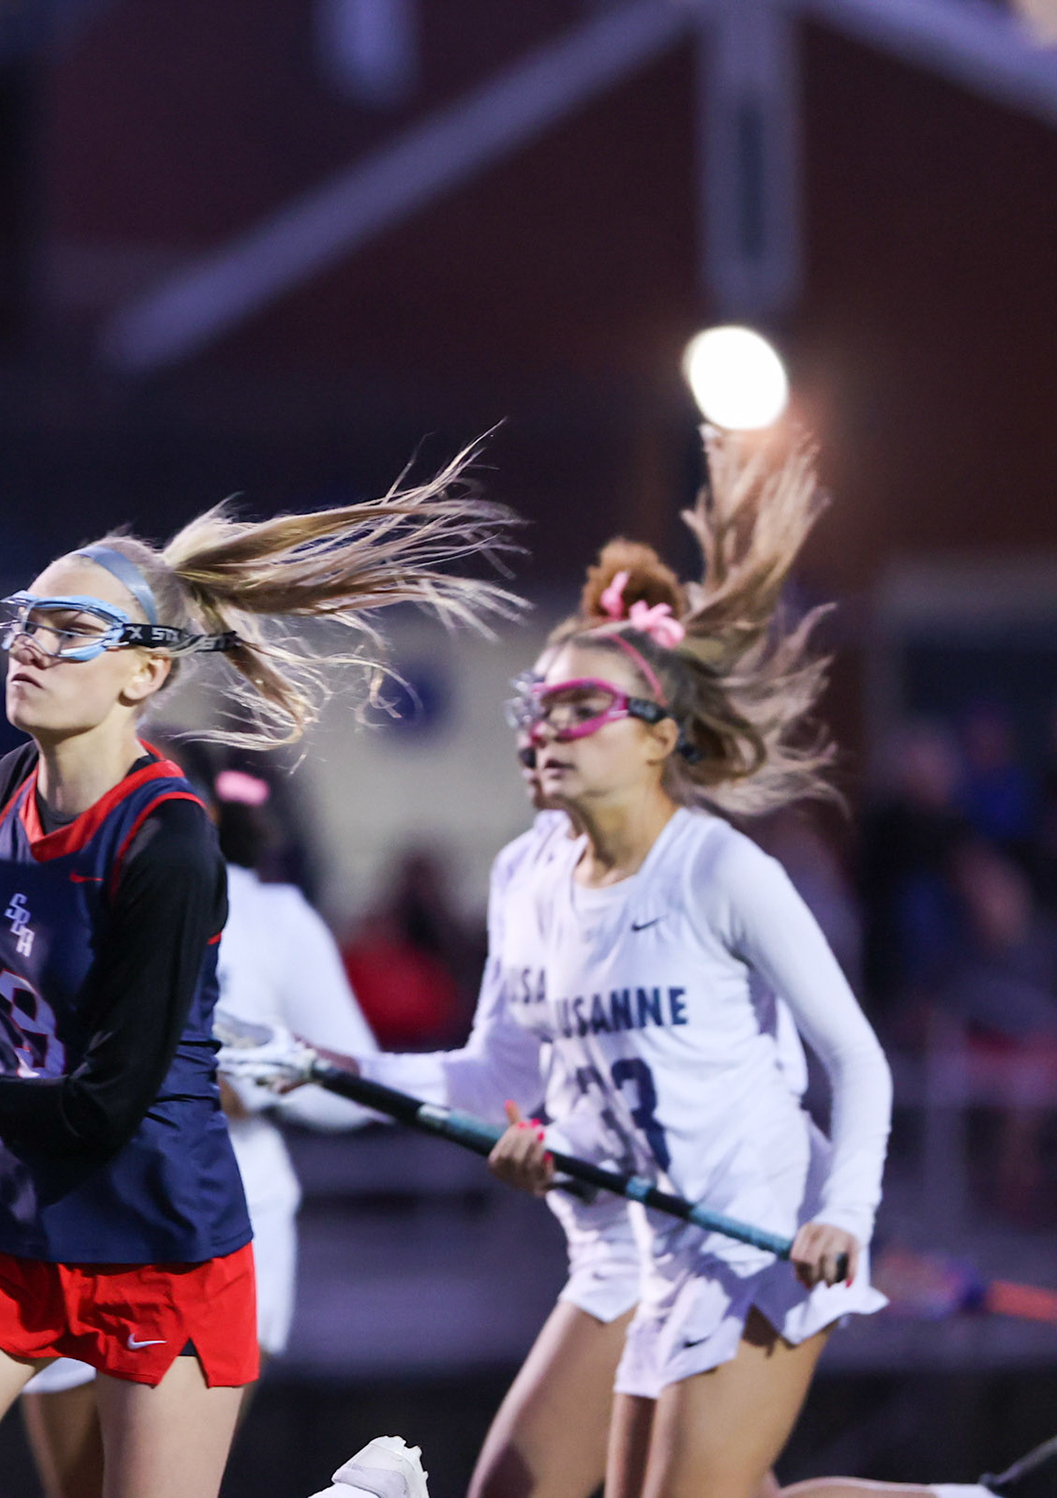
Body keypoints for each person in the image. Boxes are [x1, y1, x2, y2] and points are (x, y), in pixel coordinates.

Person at [0, 459, 515, 1498]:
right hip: (7, 1240)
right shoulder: (9, 787)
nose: (30, 642)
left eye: (70, 629)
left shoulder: (167, 841)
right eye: (28, 618)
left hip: (160, 1251)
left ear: (143, 677)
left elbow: (108, 1106)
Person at [230, 431, 893, 1498]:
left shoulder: (720, 871)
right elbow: (494, 1080)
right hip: (632, 1244)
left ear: (657, 737)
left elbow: (859, 1060)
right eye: (534, 707)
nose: (544, 728)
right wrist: (316, 1063)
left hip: (758, 1230)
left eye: (579, 709)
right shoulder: (524, 875)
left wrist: (845, 1215)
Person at [19, 748, 382, 1498]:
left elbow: (354, 1086)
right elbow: (44, 1062)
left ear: (203, 807)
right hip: (73, 1225)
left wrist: (255, 1086)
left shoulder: (272, 915)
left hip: (215, 1226)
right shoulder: (63, 901)